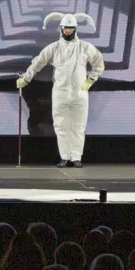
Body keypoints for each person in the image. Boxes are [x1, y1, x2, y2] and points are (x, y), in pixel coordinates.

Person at [17, 11, 105, 168]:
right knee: (61, 126)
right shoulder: (54, 48)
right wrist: (26, 78)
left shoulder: (85, 47)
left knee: (78, 127)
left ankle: (76, 157)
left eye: (71, 29)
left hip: (80, 93)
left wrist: (91, 79)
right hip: (60, 94)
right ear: (61, 29)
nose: (68, 32)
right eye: (66, 29)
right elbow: (38, 63)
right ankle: (65, 157)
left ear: (75, 29)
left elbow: (99, 62)